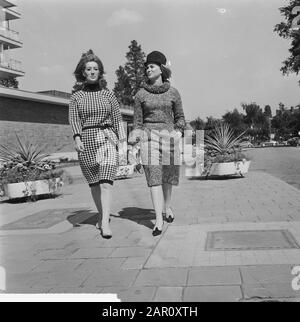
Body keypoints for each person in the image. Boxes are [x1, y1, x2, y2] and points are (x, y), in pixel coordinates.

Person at [69, 49, 125, 239]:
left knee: (106, 183)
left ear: (100, 72)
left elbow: (117, 119)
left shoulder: (109, 94)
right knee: (94, 184)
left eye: (95, 69)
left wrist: (123, 142)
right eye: (88, 69)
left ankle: (105, 222)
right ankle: (102, 215)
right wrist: (77, 137)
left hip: (107, 137)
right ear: (83, 72)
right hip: (86, 139)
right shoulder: (76, 97)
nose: (92, 72)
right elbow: (74, 119)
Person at [129, 51, 186, 236]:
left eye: (151, 66)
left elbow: (180, 118)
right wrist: (135, 139)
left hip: (169, 137)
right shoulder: (140, 95)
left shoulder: (173, 92)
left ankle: (167, 208)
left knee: (167, 178)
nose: (148, 69)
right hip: (148, 138)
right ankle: (159, 220)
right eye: (146, 67)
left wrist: (178, 132)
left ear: (161, 69)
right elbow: (137, 121)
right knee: (154, 177)